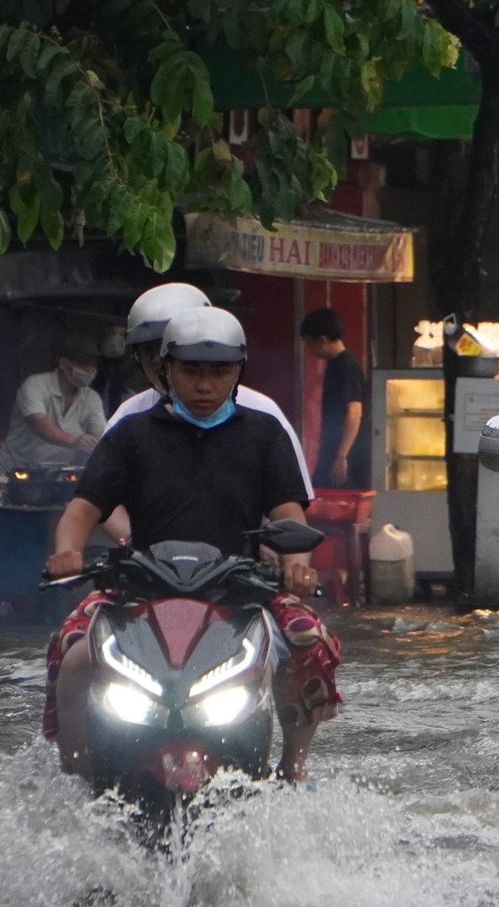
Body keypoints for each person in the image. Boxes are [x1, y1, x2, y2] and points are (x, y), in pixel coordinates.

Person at [43, 307, 340, 783]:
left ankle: (294, 765)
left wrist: (296, 566)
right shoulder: (131, 434)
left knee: (311, 641)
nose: (205, 385)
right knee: (74, 654)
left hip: (240, 587)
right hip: (140, 585)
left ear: (237, 372)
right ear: (167, 370)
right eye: (192, 372)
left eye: (218, 372)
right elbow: (83, 508)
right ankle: (78, 778)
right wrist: (67, 552)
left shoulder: (264, 435)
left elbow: (289, 515)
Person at [108, 283, 314, 497]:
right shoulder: (128, 416)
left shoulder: (264, 416)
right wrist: (136, 531)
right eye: (147, 351)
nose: (157, 360)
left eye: (166, 349)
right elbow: (97, 498)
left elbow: (290, 507)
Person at [0, 335, 106, 472]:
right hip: (14, 468)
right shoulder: (35, 385)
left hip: (57, 473)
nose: (90, 370)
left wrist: (91, 444)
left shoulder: (92, 398)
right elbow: (38, 424)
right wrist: (75, 441)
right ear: (63, 363)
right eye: (83, 363)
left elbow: (98, 435)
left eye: (93, 364)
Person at [300, 308, 367, 490]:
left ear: (322, 340)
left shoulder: (347, 365)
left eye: (309, 343)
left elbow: (354, 412)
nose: (309, 350)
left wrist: (342, 455)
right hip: (332, 448)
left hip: (344, 454)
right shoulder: (335, 363)